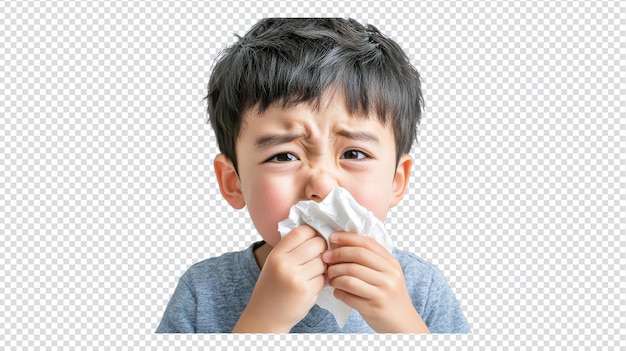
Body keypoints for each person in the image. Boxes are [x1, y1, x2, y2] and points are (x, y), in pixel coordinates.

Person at [156, 18, 470, 333]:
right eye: (283, 156)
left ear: (397, 181)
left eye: (354, 154)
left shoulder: (422, 290)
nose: (322, 185)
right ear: (233, 182)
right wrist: (265, 320)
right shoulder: (203, 292)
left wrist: (401, 322)